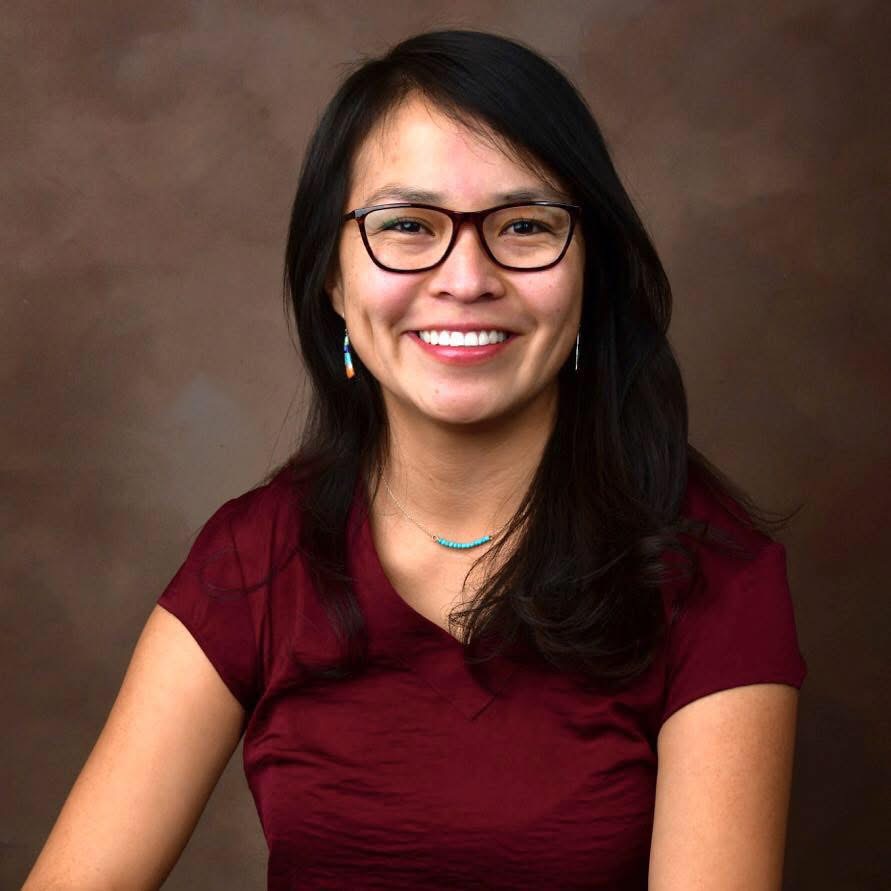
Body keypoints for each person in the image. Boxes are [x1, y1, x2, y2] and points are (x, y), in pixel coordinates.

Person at [24, 29, 807, 890]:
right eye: (406, 225)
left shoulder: (714, 575)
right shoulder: (255, 558)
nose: (465, 277)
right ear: (331, 277)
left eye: (524, 224)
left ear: (592, 272)